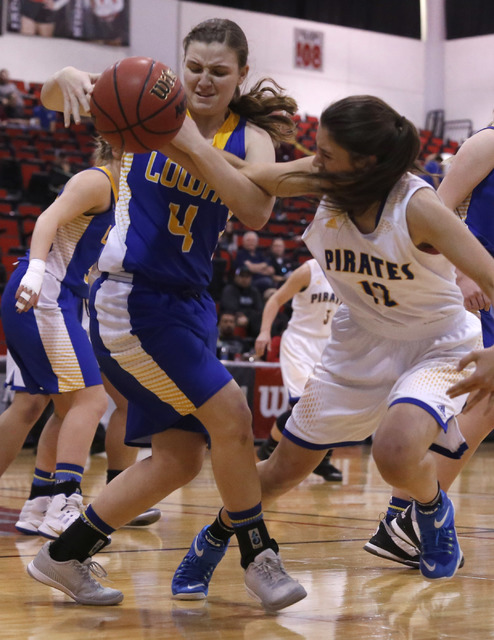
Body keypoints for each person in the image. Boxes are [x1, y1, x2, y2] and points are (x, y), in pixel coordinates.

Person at [27, 18, 306, 612]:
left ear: (241, 76)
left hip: (191, 303)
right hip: (132, 297)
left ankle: (64, 554)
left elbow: (256, 210)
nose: (203, 81)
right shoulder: (144, 99)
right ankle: (258, 555)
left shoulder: (249, 136)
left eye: (219, 72)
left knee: (179, 459)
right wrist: (66, 76)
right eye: (195, 68)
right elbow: (57, 99)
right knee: (231, 413)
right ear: (180, 65)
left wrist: (188, 143)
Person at [169, 94, 494, 597]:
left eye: (325, 154)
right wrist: (182, 143)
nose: (314, 162)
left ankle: (431, 508)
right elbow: (255, 176)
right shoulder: (329, 178)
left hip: (436, 342)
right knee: (277, 473)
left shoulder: (420, 207)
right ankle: (212, 536)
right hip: (357, 342)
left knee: (395, 450)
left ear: (364, 163)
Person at [364, 116, 494, 568]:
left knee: (481, 407)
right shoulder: (487, 144)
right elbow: (430, 215)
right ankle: (407, 521)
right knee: (483, 402)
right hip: (478, 288)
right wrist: (460, 273)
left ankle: (402, 520)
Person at [1, 137, 120, 539]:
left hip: (64, 300)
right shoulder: (98, 180)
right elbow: (47, 219)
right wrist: (35, 270)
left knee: (63, 406)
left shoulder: (128, 199)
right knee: (92, 398)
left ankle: (39, 501)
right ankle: (64, 501)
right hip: (43, 292)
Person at [255, 258, 342, 482]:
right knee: (305, 406)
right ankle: (267, 450)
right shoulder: (308, 270)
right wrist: (265, 332)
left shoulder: (348, 271)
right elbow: (276, 299)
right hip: (299, 344)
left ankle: (322, 461)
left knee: (331, 406)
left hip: (328, 345)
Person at [219, 266, 264, 338]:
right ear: (236, 277)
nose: (244, 279)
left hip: (251, 319)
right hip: (235, 317)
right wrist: (239, 316)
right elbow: (229, 308)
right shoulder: (229, 290)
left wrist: (248, 318)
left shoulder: (254, 291)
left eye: (247, 277)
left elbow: (259, 309)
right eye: (242, 276)